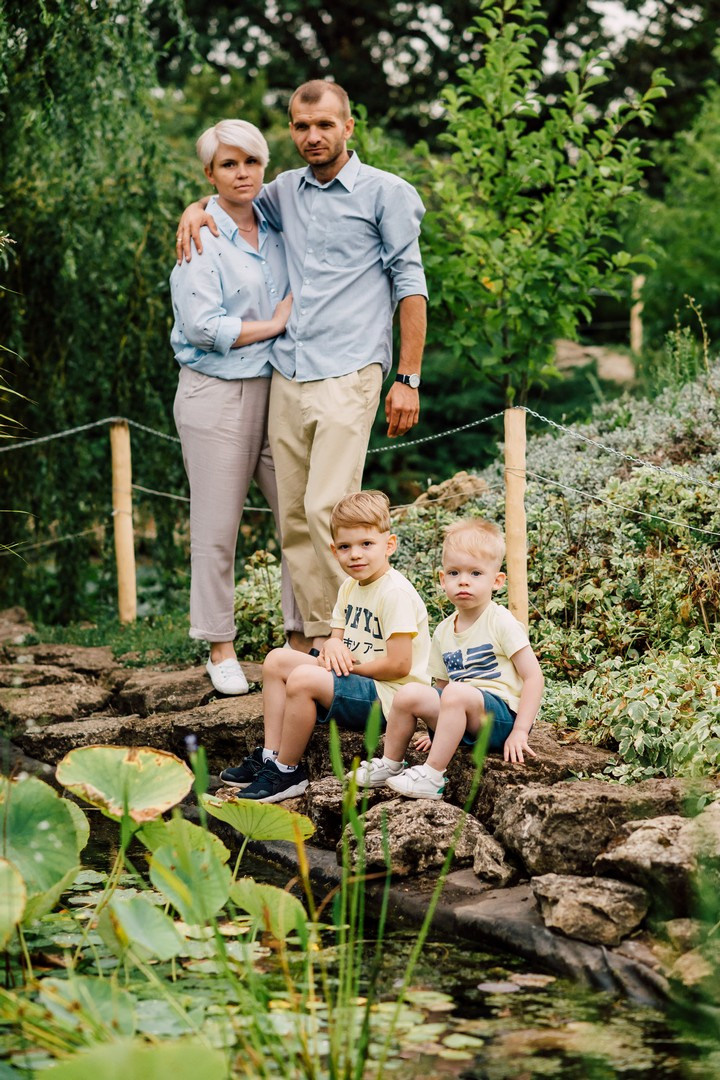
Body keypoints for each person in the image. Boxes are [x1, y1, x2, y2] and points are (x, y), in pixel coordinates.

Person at [175, 80, 428, 654]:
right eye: (301, 126)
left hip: (350, 370)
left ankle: (366, 648)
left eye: (325, 125)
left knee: (327, 511)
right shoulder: (281, 191)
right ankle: (315, 642)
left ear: (349, 126)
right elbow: (226, 199)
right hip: (288, 371)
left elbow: (410, 285)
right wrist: (194, 209)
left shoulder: (386, 193)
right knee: (292, 518)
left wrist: (407, 378)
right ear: (291, 130)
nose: (313, 136)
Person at [170, 119, 303, 696]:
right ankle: (220, 647)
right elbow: (200, 325)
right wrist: (272, 324)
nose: (241, 172)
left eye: (249, 161)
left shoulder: (278, 220)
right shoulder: (200, 236)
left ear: (264, 164)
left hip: (279, 388)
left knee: (299, 517)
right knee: (218, 526)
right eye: (227, 165)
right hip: (216, 393)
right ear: (210, 174)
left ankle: (303, 639)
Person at [218, 490, 431, 802]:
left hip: (390, 698)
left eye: (366, 544)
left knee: (303, 680)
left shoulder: (394, 593)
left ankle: (288, 772)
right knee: (278, 660)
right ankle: (270, 756)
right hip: (356, 679)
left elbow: (400, 665)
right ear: (334, 550)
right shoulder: (349, 587)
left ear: (390, 545)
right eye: (345, 547)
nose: (355, 554)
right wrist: (332, 647)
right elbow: (336, 637)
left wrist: (349, 667)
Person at [348, 519, 544, 800]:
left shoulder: (500, 621)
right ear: (443, 579)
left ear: (497, 581)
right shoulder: (443, 630)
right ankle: (391, 763)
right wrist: (439, 731)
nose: (463, 580)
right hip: (461, 708)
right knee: (410, 693)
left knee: (457, 692)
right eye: (454, 572)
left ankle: (433, 775)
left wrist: (521, 731)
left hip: (499, 719)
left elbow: (534, 677)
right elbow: (440, 688)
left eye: (476, 573)